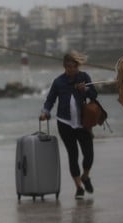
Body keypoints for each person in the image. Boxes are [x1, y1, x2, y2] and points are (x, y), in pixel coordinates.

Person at [39, 51, 97, 199]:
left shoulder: (84, 78)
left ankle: (85, 176)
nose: (72, 69)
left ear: (78, 66)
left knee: (89, 154)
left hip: (83, 123)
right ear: (64, 66)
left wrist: (86, 89)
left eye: (74, 66)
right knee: (73, 155)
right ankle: (78, 187)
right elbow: (50, 100)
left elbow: (94, 95)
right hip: (65, 123)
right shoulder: (58, 82)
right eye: (69, 67)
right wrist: (45, 112)